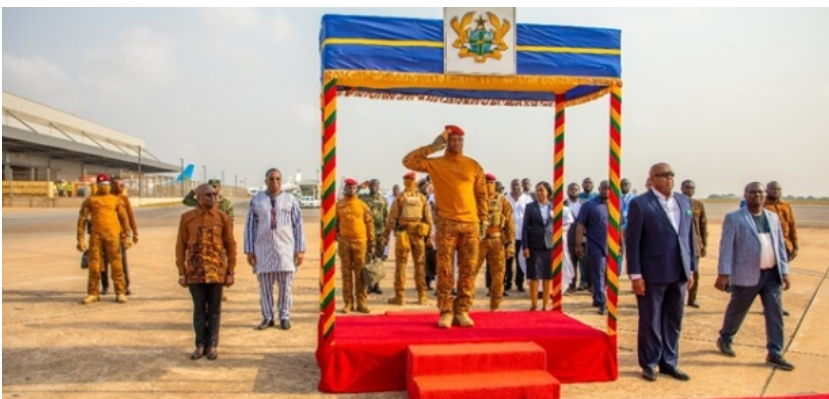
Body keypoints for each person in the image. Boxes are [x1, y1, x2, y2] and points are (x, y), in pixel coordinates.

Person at [403, 125, 487, 329]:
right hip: (446, 223)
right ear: (446, 143)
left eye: (459, 140)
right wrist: (434, 145)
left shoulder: (473, 165)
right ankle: (447, 311)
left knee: (467, 270)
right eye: (452, 140)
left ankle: (463, 310)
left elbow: (481, 194)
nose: (456, 143)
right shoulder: (436, 164)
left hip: (470, 224)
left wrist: (483, 219)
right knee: (445, 270)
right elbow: (408, 161)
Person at [625, 163, 696, 382]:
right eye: (664, 175)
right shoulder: (641, 204)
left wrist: (691, 268)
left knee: (674, 320)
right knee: (651, 320)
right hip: (653, 274)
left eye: (671, 175)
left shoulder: (683, 201)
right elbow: (633, 242)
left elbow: (689, 238)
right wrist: (635, 274)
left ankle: (669, 362)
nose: (669, 179)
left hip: (679, 272)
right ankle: (649, 362)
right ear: (652, 179)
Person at [715, 182, 794, 371]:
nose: (757, 195)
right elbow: (726, 247)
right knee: (737, 311)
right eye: (753, 192)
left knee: (775, 314)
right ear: (745, 195)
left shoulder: (773, 218)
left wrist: (784, 271)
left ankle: (775, 352)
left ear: (764, 195)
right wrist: (724, 273)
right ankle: (725, 338)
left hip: (772, 275)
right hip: (747, 275)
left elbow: (779, 247)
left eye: (760, 192)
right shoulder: (734, 218)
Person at [176, 184, 236, 361]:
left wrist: (231, 271)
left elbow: (230, 245)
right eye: (208, 195)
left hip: (217, 271)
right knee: (199, 310)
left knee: (215, 310)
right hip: (195, 272)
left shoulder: (222, 217)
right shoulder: (187, 218)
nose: (213, 197)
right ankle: (200, 345)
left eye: (215, 194)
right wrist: (182, 272)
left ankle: (212, 345)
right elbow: (181, 245)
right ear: (198, 197)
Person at [245, 168, 305, 331]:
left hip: (285, 250)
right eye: (271, 179)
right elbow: (250, 226)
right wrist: (249, 250)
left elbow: (298, 226)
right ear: (266, 181)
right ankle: (268, 317)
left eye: (278, 179)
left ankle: (284, 316)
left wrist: (299, 250)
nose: (275, 182)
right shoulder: (256, 200)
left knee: (286, 287)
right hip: (263, 250)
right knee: (265, 287)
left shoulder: (290, 200)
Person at [76, 173, 132, 305]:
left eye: (106, 185)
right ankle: (93, 293)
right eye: (101, 185)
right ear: (97, 186)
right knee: (94, 265)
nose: (104, 187)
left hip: (113, 236)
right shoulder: (91, 200)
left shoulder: (115, 200)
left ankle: (120, 292)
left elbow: (124, 219)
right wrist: (80, 239)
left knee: (117, 265)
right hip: (96, 237)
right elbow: (82, 220)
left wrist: (128, 236)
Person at [381, 172, 433, 306]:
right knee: (420, 266)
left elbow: (391, 218)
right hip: (419, 235)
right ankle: (423, 296)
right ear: (414, 182)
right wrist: (429, 238)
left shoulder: (400, 197)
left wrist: (385, 236)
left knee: (401, 266)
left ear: (405, 182)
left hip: (403, 234)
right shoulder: (422, 198)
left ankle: (400, 296)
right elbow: (428, 219)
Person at [183, 178, 234, 301]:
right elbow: (186, 201)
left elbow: (231, 219)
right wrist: (194, 191)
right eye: (212, 186)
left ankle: (219, 291)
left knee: (219, 265)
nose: (214, 189)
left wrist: (227, 235)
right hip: (202, 236)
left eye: (216, 187)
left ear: (220, 188)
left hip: (219, 236)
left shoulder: (225, 203)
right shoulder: (203, 199)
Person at [473, 173, 515, 311]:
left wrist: (511, 244)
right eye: (484, 184)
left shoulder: (502, 201)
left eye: (490, 184)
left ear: (494, 185)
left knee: (498, 275)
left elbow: (509, 223)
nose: (487, 187)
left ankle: (495, 305)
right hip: (478, 242)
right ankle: (464, 305)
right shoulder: (473, 200)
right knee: (469, 273)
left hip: (496, 241)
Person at [336, 178, 375, 314]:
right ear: (345, 188)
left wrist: (372, 242)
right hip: (344, 243)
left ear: (356, 189)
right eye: (349, 188)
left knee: (360, 274)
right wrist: (338, 238)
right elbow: (335, 225)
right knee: (346, 274)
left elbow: (369, 224)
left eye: (353, 188)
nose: (351, 190)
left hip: (360, 243)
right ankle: (348, 303)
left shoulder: (362, 205)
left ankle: (362, 303)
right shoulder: (339, 205)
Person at [575, 180, 610, 315]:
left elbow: (619, 226)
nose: (606, 191)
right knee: (598, 274)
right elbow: (580, 225)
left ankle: (597, 295)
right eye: (604, 188)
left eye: (609, 189)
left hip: (612, 246)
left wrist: (621, 244)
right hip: (596, 245)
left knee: (611, 275)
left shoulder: (616, 205)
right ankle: (602, 302)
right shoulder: (589, 205)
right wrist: (578, 244)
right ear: (599, 188)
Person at [763, 181, 798, 317]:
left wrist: (795, 246)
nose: (776, 191)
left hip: (785, 246)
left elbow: (792, 226)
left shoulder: (786, 207)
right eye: (773, 189)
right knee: (767, 279)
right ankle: (769, 306)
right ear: (767, 190)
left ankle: (776, 305)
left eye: (778, 189)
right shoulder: (763, 206)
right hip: (769, 247)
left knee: (780, 277)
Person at [101, 177, 138, 296]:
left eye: (123, 186)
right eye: (118, 185)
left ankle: (125, 286)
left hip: (120, 236)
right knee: (103, 262)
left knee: (122, 263)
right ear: (111, 185)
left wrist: (134, 233)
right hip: (105, 235)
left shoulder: (124, 199)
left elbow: (130, 216)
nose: (121, 188)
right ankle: (105, 285)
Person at [522, 181, 555, 311]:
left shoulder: (554, 207)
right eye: (537, 190)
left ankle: (545, 304)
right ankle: (534, 304)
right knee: (534, 276)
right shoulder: (530, 207)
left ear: (548, 192)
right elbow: (525, 228)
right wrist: (525, 247)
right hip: (534, 245)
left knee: (548, 276)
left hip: (549, 245)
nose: (539, 193)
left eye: (542, 190)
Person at [681, 179, 707, 308]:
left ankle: (692, 298)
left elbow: (703, 225)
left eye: (692, 188)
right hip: (680, 244)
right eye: (687, 188)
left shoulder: (698, 205)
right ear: (682, 188)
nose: (689, 190)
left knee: (695, 273)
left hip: (695, 245)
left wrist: (704, 245)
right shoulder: (676, 203)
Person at [360, 179, 389, 295]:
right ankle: (369, 285)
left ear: (379, 187)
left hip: (380, 233)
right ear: (369, 187)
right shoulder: (363, 198)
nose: (374, 187)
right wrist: (359, 187)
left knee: (378, 260)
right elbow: (350, 196)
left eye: (376, 185)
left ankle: (377, 285)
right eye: (372, 185)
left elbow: (387, 217)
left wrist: (386, 235)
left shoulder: (383, 200)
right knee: (367, 260)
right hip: (366, 233)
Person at [505, 178, 532, 293]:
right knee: (508, 261)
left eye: (518, 185)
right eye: (514, 185)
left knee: (521, 261)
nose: (516, 187)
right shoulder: (505, 199)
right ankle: (507, 283)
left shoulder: (527, 199)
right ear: (510, 186)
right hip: (508, 236)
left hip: (522, 235)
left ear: (521, 186)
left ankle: (519, 283)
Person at [565, 183, 589, 292]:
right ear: (567, 190)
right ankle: (571, 285)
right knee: (571, 262)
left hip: (583, 237)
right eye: (571, 189)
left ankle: (589, 285)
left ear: (579, 191)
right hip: (568, 237)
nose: (573, 191)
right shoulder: (562, 204)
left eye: (575, 189)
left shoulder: (585, 204)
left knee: (586, 262)